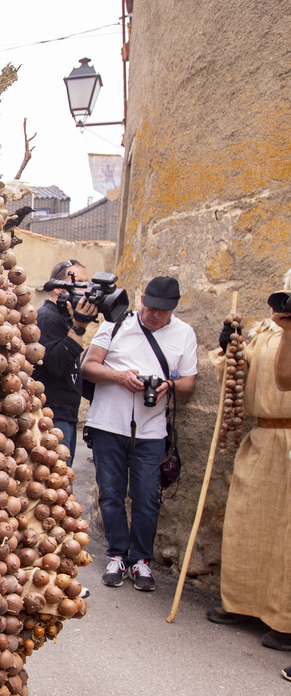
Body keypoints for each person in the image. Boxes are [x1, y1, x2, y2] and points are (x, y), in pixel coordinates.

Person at [81, 275, 197, 593]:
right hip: (108, 424)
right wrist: (120, 377)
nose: (156, 315)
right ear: (142, 297)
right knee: (111, 493)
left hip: (151, 430)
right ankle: (117, 555)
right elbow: (89, 366)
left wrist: (167, 386)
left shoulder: (184, 334)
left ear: (173, 308)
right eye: (151, 307)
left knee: (147, 497)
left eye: (164, 311)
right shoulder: (116, 323)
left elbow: (188, 383)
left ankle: (141, 560)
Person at [207, 297, 291, 656]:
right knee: (248, 521)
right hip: (263, 438)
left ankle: (284, 619)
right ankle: (242, 602)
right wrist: (229, 347)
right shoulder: (264, 332)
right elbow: (235, 376)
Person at [36, 259, 99, 464]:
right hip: (53, 415)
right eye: (79, 283)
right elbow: (55, 365)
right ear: (58, 288)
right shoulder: (47, 318)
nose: (85, 290)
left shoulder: (65, 318)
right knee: (57, 482)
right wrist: (79, 327)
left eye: (87, 284)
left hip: (65, 414)